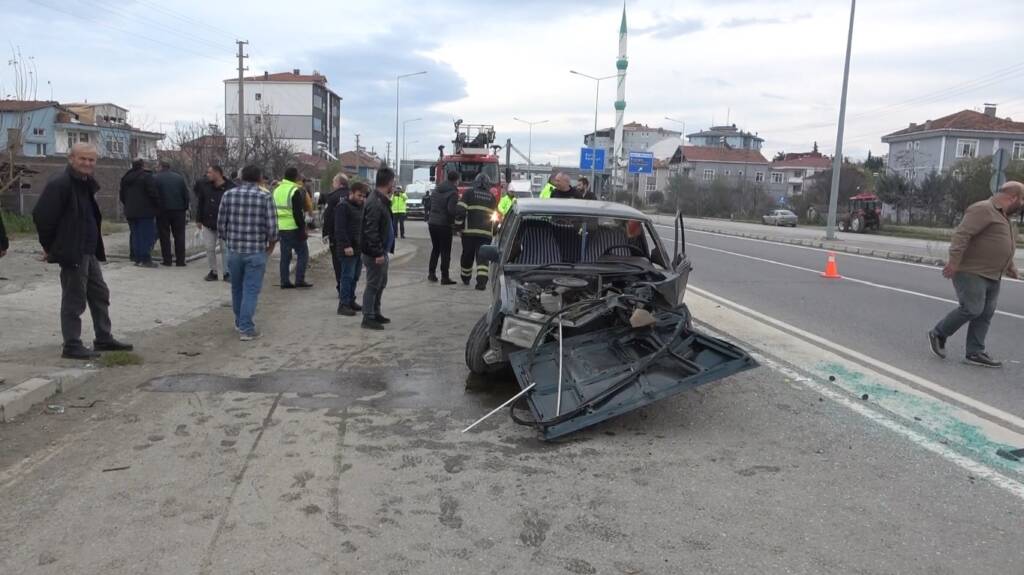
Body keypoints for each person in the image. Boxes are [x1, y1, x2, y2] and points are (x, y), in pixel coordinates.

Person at [32, 143, 133, 359]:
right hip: (72, 251)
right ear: (71, 159)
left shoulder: (85, 184)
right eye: (83, 159)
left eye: (91, 160)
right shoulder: (61, 183)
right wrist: (51, 247)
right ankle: (72, 345)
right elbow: (42, 217)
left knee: (100, 294)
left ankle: (103, 338)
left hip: (88, 250)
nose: (87, 163)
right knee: (74, 299)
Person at [929, 181, 1022, 368]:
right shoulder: (983, 209)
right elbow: (962, 235)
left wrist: (1010, 266)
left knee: (985, 314)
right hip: (972, 271)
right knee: (972, 308)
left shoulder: (1003, 216)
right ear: (1013, 198)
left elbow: (999, 243)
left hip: (993, 274)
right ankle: (939, 333)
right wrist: (954, 262)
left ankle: (975, 352)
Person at [217, 164, 279, 341]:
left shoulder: (228, 195)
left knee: (236, 287)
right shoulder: (265, 196)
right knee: (251, 289)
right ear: (260, 178)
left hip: (234, 250)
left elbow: (221, 224)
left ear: (241, 177)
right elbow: (273, 228)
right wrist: (270, 247)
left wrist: (228, 240)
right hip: (256, 250)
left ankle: (239, 322)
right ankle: (246, 328)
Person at [360, 168, 396, 330]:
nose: (394, 185)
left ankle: (376, 312)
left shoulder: (382, 199)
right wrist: (377, 252)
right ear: (389, 182)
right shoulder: (375, 202)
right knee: (373, 284)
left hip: (382, 251)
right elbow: (371, 230)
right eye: (393, 182)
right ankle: (368, 317)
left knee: (381, 283)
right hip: (375, 253)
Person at [194, 165, 236, 281]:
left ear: (218, 173)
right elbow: (201, 203)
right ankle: (213, 271)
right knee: (209, 248)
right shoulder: (205, 186)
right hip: (208, 222)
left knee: (225, 249)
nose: (207, 175)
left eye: (210, 173)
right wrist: (198, 219)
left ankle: (227, 272)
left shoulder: (231, 187)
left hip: (225, 223)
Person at [457, 172, 498, 290]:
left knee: (467, 256)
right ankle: (481, 283)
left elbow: (460, 211)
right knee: (483, 259)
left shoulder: (469, 193)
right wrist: (494, 232)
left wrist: (458, 227)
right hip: (485, 235)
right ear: (487, 184)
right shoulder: (492, 197)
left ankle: (465, 277)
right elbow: (495, 217)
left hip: (469, 233)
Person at [273, 167, 312, 288]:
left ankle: (284, 281)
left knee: (285, 255)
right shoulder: (294, 190)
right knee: (303, 253)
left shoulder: (277, 190)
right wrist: (302, 229)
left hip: (281, 227)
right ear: (296, 177)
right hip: (293, 227)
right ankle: (299, 279)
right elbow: (297, 213)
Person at [118, 159, 160, 268]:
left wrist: (127, 205)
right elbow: (153, 193)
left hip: (130, 211)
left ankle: (137, 258)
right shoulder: (147, 177)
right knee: (146, 235)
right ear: (142, 165)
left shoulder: (125, 178)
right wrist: (156, 205)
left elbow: (122, 195)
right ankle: (145, 259)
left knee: (135, 235)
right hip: (145, 211)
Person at [334, 182, 368, 316]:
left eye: (363, 196)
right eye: (359, 195)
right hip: (347, 249)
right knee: (347, 277)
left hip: (358, 248)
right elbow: (340, 229)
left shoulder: (361, 207)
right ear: (351, 193)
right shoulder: (342, 207)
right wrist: (346, 246)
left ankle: (350, 301)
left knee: (355, 276)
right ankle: (343, 305)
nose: (361, 198)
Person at [153, 161, 191, 267]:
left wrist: (156, 208)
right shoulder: (179, 178)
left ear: (160, 167)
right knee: (179, 235)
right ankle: (180, 260)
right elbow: (186, 194)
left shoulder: (155, 178)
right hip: (179, 211)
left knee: (164, 236)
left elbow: (154, 195)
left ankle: (167, 260)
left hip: (162, 211)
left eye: (157, 166)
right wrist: (185, 207)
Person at [427, 171, 460, 284]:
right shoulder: (453, 192)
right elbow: (451, 210)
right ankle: (445, 277)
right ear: (456, 180)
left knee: (436, 249)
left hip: (432, 223)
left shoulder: (437, 189)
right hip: (444, 224)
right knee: (445, 251)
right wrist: (459, 212)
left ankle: (431, 274)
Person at [320, 172, 350, 294]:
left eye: (334, 182)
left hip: (335, 234)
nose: (332, 184)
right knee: (350, 262)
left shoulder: (332, 197)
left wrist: (325, 233)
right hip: (351, 235)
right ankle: (348, 287)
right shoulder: (353, 195)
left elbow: (327, 217)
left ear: (339, 183)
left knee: (337, 261)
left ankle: (341, 285)